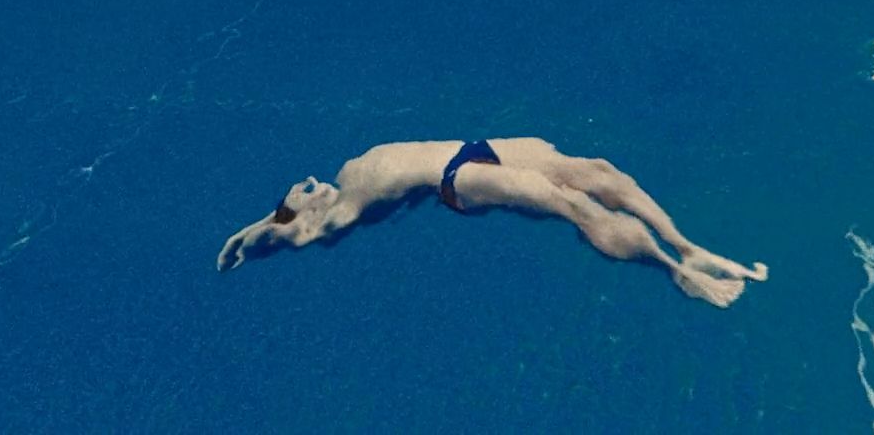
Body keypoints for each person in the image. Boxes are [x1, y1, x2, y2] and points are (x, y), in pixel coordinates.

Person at [216, 137, 768, 308]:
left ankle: (685, 244)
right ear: (308, 214)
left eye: (307, 186)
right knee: (569, 203)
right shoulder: (334, 218)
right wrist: (259, 228)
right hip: (456, 180)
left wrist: (279, 210)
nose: (313, 184)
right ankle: (672, 269)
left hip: (472, 144)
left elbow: (284, 220)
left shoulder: (343, 176)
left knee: (596, 172)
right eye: (306, 194)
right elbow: (283, 237)